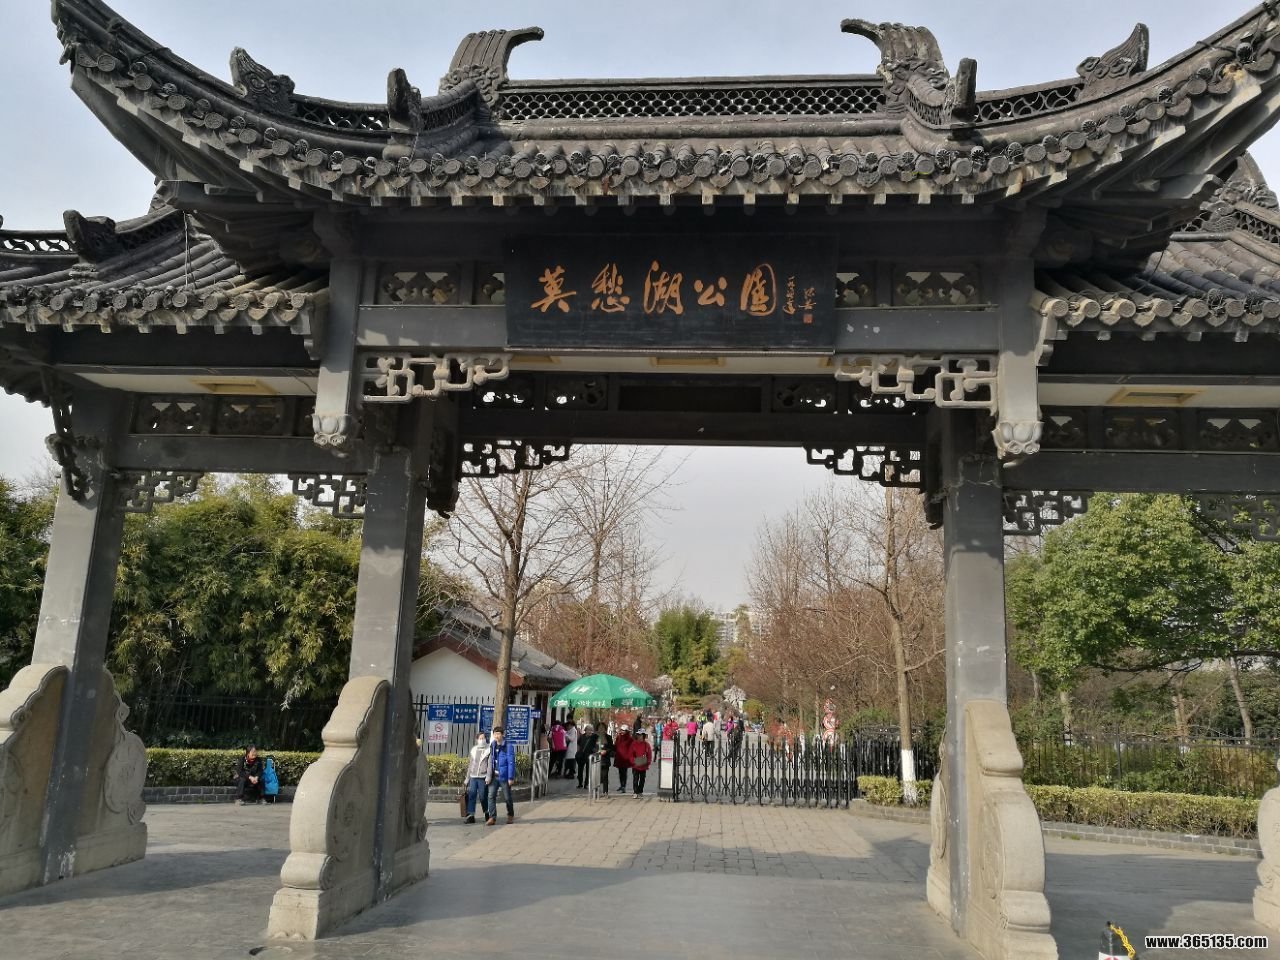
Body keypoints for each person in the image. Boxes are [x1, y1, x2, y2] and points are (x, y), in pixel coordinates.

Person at [486, 726, 517, 825]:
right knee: (491, 796)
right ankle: (492, 817)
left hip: (504, 776)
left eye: (498, 734)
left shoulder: (508, 746)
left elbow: (511, 762)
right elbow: (491, 760)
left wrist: (510, 777)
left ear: (503, 735)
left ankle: (510, 815)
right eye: (495, 734)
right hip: (494, 776)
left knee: (507, 797)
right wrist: (488, 775)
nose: (497, 736)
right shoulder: (493, 744)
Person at [464, 731, 492, 823]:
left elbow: (490, 765)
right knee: (471, 795)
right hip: (473, 777)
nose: (482, 740)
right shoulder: (474, 750)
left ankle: (487, 812)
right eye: (480, 738)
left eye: (483, 738)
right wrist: (467, 778)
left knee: (483, 796)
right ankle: (471, 815)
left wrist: (488, 776)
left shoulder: (489, 750)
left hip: (483, 777)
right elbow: (471, 765)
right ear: (477, 740)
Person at [630, 729, 652, 797]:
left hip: (643, 765)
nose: (639, 736)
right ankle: (635, 792)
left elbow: (649, 755)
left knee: (642, 779)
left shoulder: (647, 745)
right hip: (635, 764)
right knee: (635, 779)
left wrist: (648, 762)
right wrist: (633, 761)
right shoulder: (633, 744)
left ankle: (640, 791)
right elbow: (630, 754)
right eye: (638, 735)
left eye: (641, 735)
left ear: (643, 736)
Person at [613, 724, 634, 793]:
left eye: (624, 730)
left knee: (624, 772)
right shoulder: (618, 737)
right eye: (621, 730)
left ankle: (623, 786)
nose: (622, 731)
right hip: (619, 757)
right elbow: (615, 746)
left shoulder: (630, 739)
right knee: (620, 772)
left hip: (625, 758)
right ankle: (621, 785)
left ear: (627, 731)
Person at [576, 723, 598, 789]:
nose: (589, 731)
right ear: (585, 730)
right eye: (588, 730)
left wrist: (595, 750)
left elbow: (598, 743)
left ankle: (586, 784)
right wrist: (578, 751)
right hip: (581, 755)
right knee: (580, 770)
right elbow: (578, 744)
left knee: (588, 771)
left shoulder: (594, 737)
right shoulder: (582, 736)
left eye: (591, 730)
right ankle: (580, 783)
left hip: (590, 756)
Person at [597, 727, 615, 795]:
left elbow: (611, 747)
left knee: (605, 775)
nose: (601, 730)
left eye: (603, 728)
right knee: (597, 776)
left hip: (605, 759)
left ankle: (605, 791)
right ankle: (596, 791)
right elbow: (592, 747)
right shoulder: (595, 737)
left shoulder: (608, 737)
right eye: (600, 728)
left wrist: (606, 751)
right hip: (596, 759)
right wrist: (597, 751)